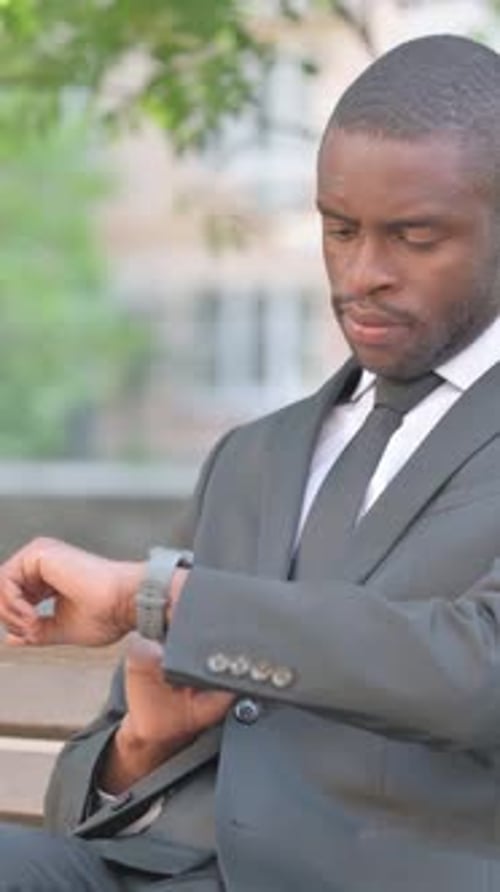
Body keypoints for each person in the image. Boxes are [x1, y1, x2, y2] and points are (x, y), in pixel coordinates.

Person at [3, 32, 500, 892]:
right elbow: (85, 801)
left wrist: (151, 597)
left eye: (414, 237)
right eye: (339, 230)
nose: (362, 273)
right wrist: (143, 741)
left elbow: (477, 673)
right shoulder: (254, 455)